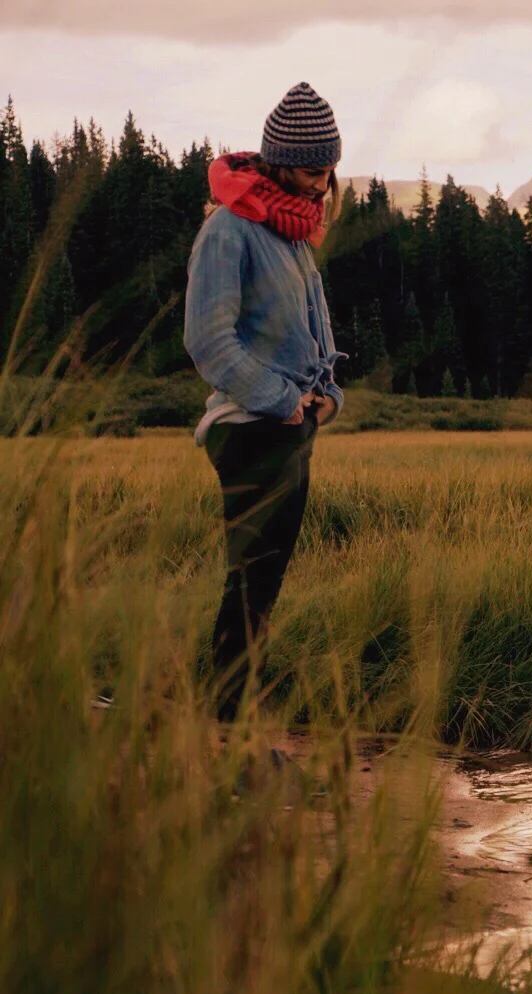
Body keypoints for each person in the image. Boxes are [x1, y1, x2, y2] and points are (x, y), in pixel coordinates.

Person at [184, 82, 346, 724]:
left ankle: (232, 721)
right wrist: (283, 400)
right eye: (311, 170)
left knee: (262, 587)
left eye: (329, 168)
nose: (322, 182)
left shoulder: (292, 233)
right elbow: (208, 339)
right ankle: (230, 730)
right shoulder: (229, 231)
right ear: (278, 163)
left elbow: (314, 329)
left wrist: (327, 397)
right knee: (252, 585)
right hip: (250, 426)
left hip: (285, 427)